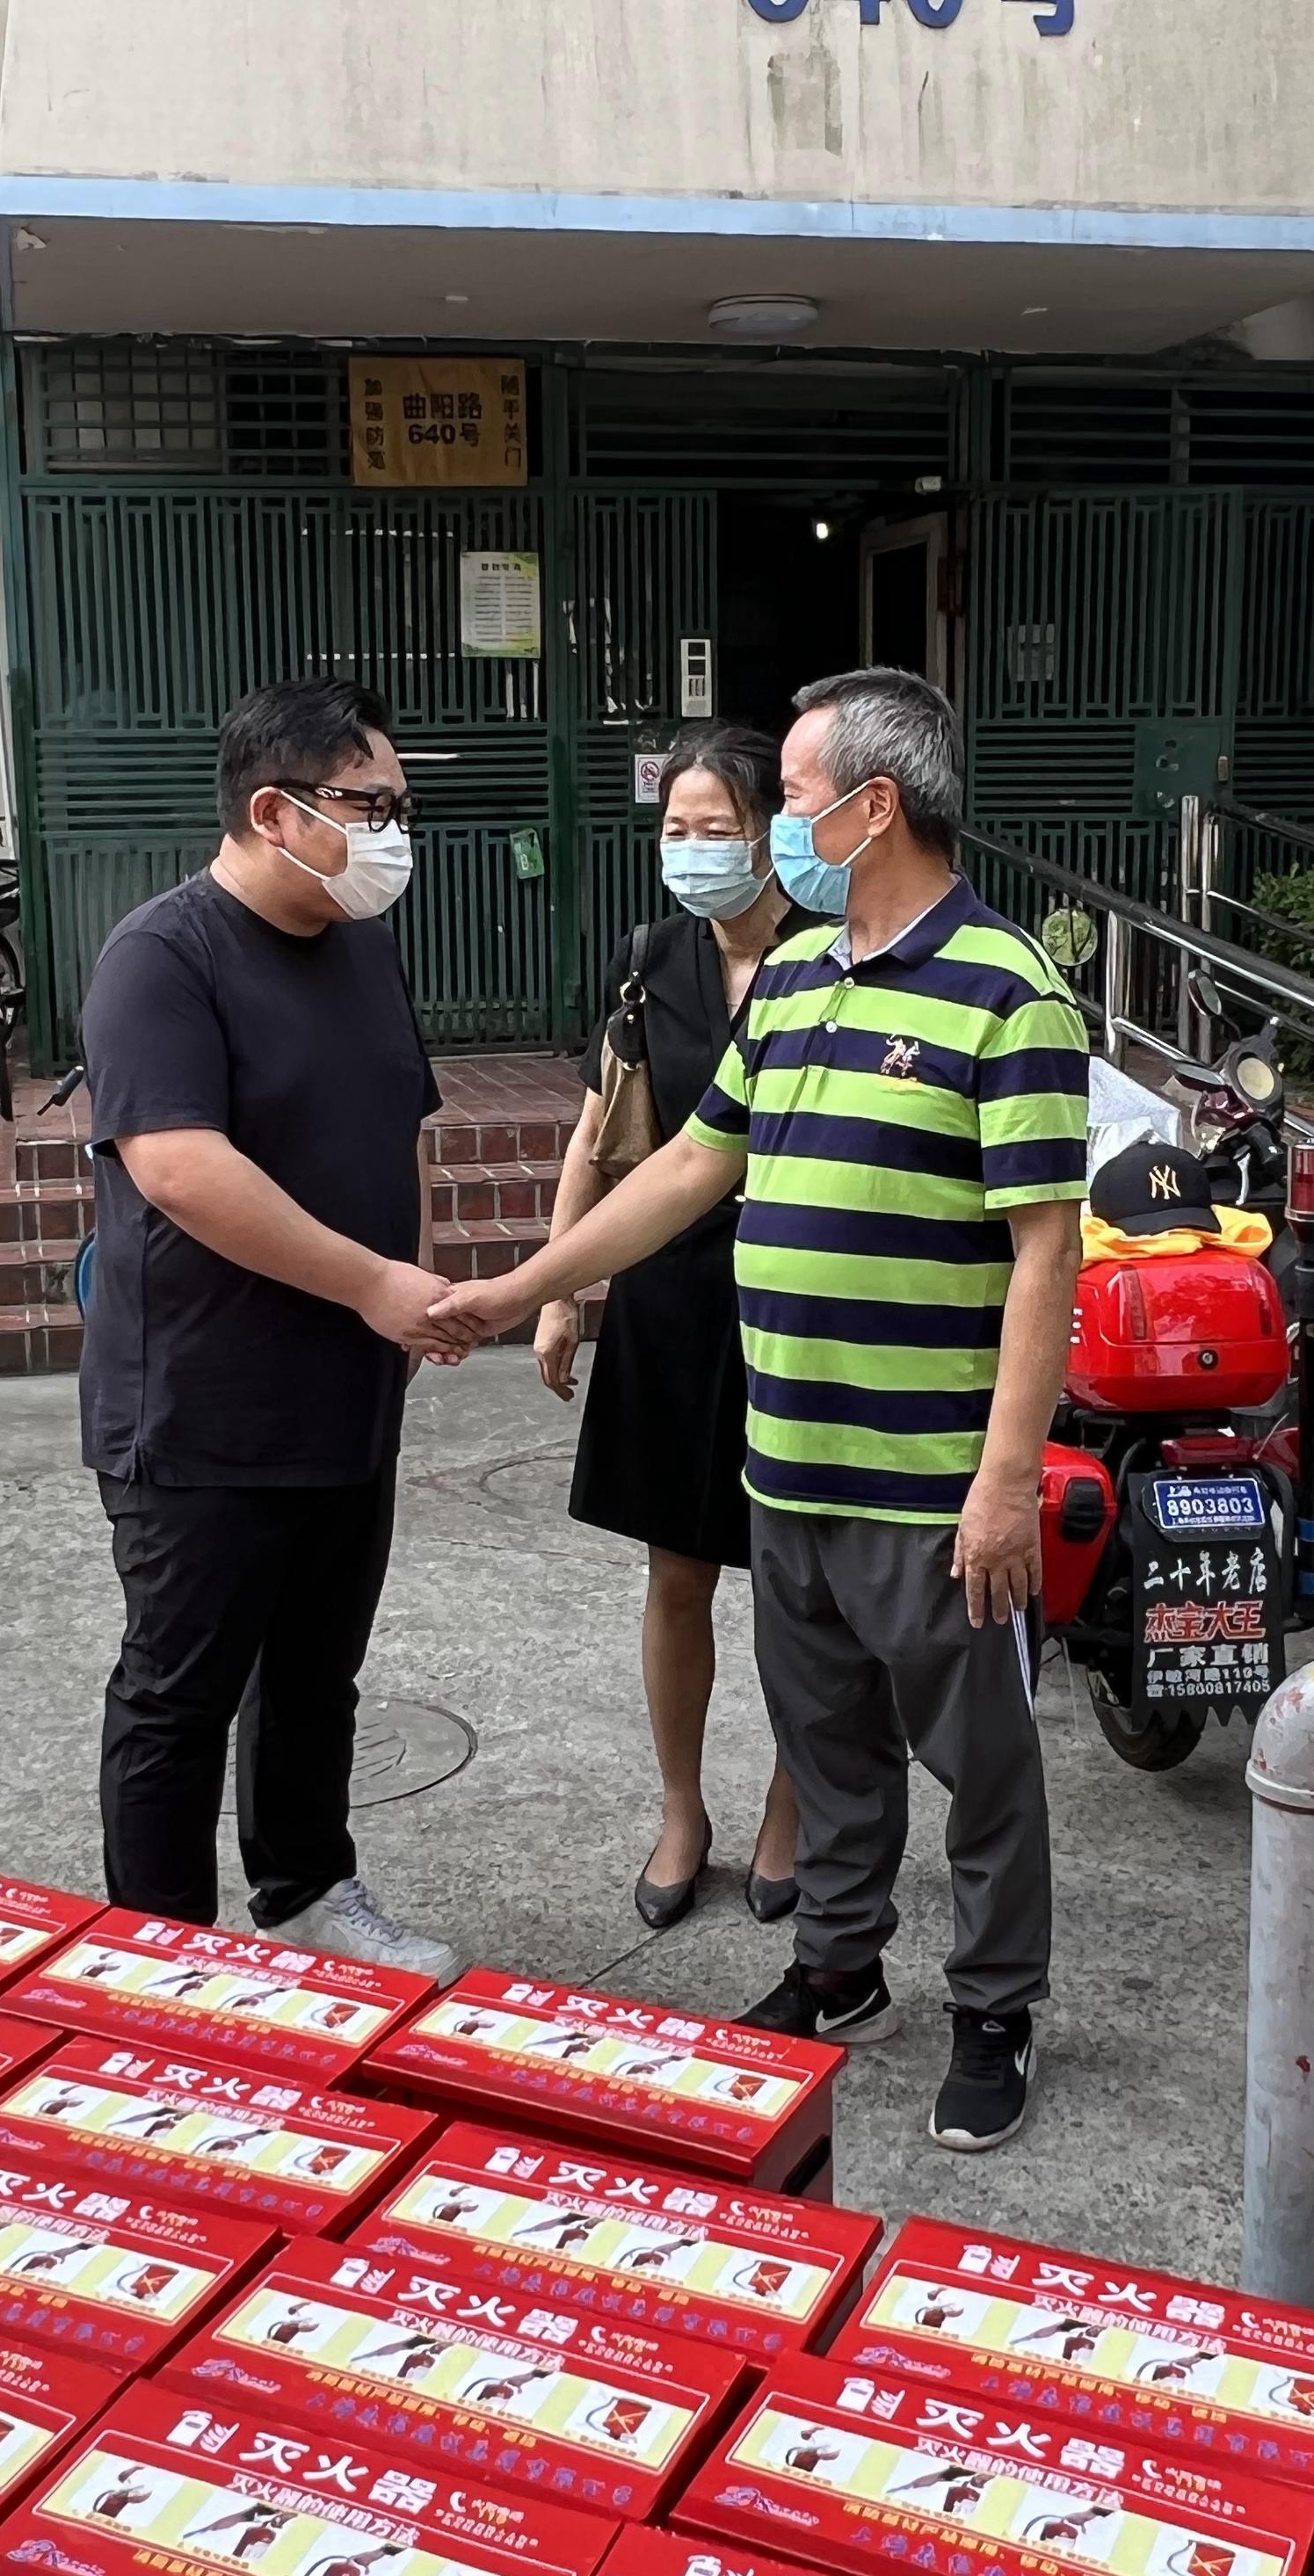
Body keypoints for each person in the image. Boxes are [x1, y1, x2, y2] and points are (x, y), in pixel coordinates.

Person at [435, 667, 1089, 2152]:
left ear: (874, 808)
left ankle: (994, 2008)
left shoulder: (1009, 990)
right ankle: (839, 1969)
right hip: (786, 1459)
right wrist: (524, 1285)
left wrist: (1005, 1483)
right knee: (830, 1742)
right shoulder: (792, 984)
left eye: (791, 797)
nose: (776, 825)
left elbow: (1047, 1254)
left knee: (982, 1766)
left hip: (930, 1479)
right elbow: (686, 1167)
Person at [76, 675, 472, 1978]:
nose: (392, 835)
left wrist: (413, 1283)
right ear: (272, 811)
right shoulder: (162, 958)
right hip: (203, 1401)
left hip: (347, 1388)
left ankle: (304, 1887)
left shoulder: (358, 945)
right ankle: (162, 1955)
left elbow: (403, 1125)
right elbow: (178, 1167)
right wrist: (369, 1283)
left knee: (316, 1668)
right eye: (370, 806)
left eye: (400, 807)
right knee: (179, 1692)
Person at [535, 726, 806, 1932]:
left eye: (718, 830)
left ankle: (793, 1809)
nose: (694, 851)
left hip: (801, 1299)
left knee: (800, 1579)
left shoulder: (835, 956)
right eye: (676, 830)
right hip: (668, 1292)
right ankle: (683, 1809)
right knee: (677, 1569)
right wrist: (560, 1290)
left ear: (772, 836)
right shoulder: (650, 958)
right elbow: (599, 1134)